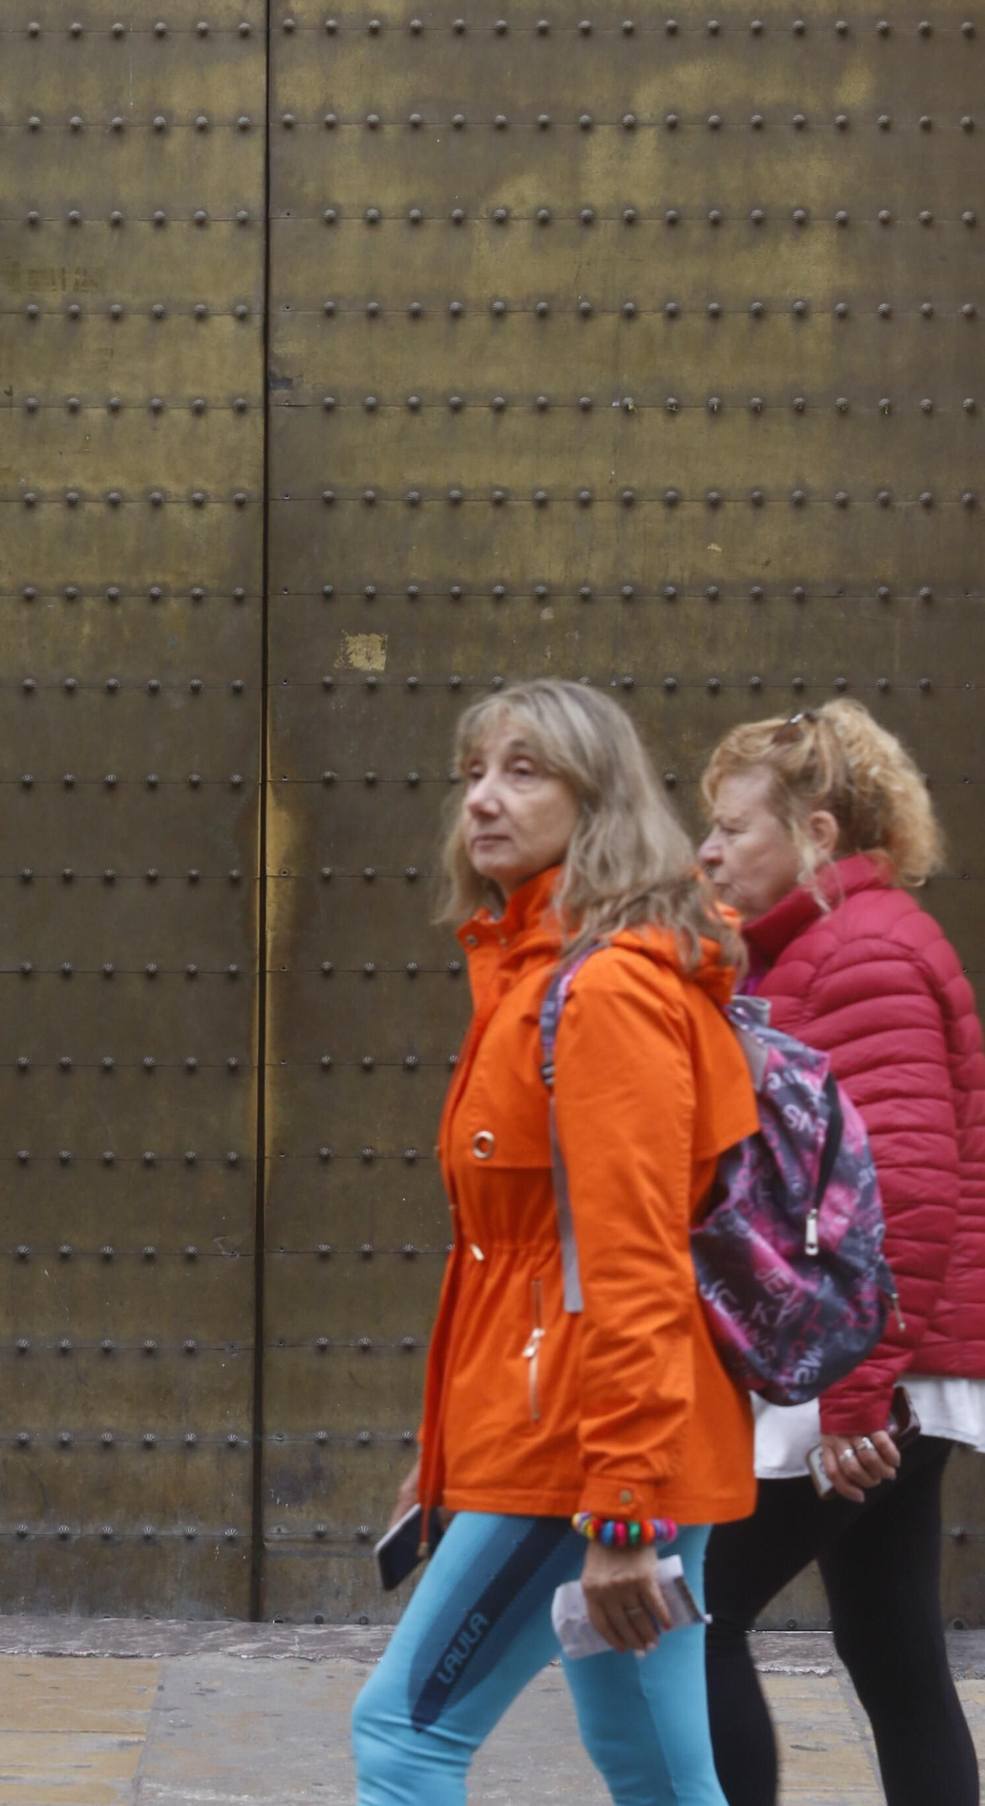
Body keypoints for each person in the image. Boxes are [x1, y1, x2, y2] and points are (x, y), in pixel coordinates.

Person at [353, 678, 759, 1806]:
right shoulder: (535, 973)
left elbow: (628, 1264)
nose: (481, 799)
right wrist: (444, 1455)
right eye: (473, 772)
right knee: (656, 1769)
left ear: (599, 801)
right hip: (572, 1432)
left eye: (524, 771)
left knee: (402, 1737)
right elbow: (516, 1262)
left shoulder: (605, 995)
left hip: (588, 1450)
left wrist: (624, 1509)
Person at [697, 702, 985, 1806]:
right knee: (894, 1648)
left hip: (872, 1368)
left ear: (818, 835)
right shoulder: (819, 949)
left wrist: (860, 1399)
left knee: (693, 1613)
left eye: (732, 829)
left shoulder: (861, 954)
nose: (707, 850)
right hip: (886, 1364)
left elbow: (904, 1194)